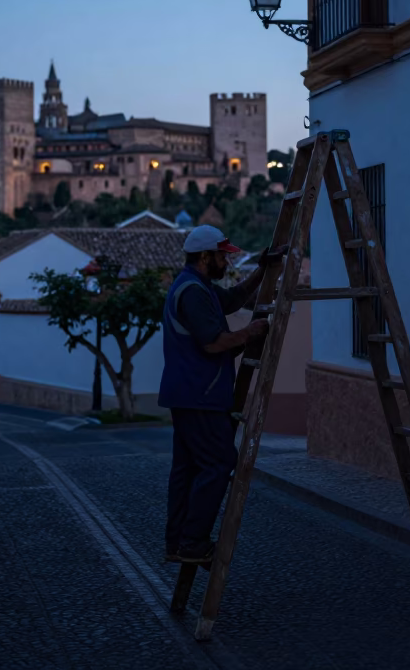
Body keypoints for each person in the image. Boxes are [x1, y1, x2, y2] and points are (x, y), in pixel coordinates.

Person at [158, 224, 287, 566]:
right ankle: (193, 542)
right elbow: (213, 341)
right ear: (205, 256)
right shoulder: (194, 292)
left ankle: (178, 543)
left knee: (187, 470)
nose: (226, 263)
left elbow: (234, 298)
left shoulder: (200, 288)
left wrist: (262, 269)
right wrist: (251, 332)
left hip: (189, 393)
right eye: (222, 257)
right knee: (219, 463)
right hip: (199, 394)